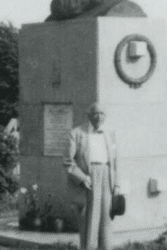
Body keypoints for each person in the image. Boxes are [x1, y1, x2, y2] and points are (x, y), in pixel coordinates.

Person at [64, 102, 120, 250]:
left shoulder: (110, 133)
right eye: (95, 113)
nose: (99, 117)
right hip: (88, 177)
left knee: (106, 219)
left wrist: (117, 184)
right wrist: (81, 178)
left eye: (102, 114)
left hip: (107, 176)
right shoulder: (77, 133)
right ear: (88, 115)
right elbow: (68, 161)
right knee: (90, 220)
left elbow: (114, 161)